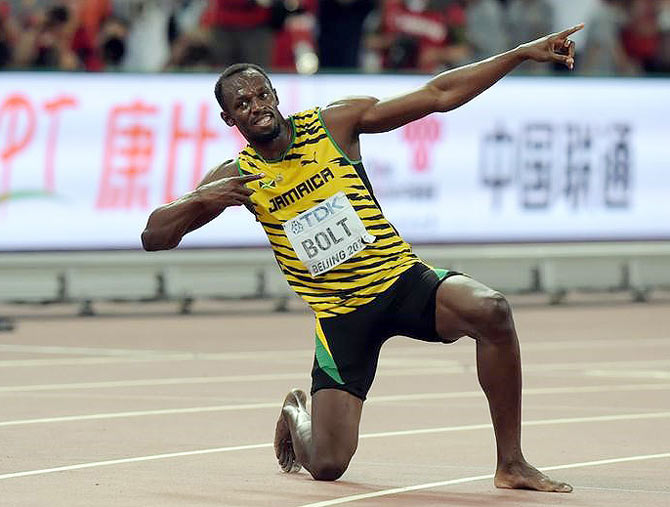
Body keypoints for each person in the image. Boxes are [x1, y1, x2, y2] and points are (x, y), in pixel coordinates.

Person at [141, 23, 584, 493]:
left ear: (276, 93)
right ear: (231, 121)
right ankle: (297, 410)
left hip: (400, 281)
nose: (257, 108)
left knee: (491, 309)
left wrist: (518, 53)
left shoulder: (334, 124)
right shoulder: (238, 176)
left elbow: (439, 94)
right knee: (329, 465)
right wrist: (203, 198)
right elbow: (155, 236)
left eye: (261, 94)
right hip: (340, 318)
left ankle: (511, 463)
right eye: (243, 105)